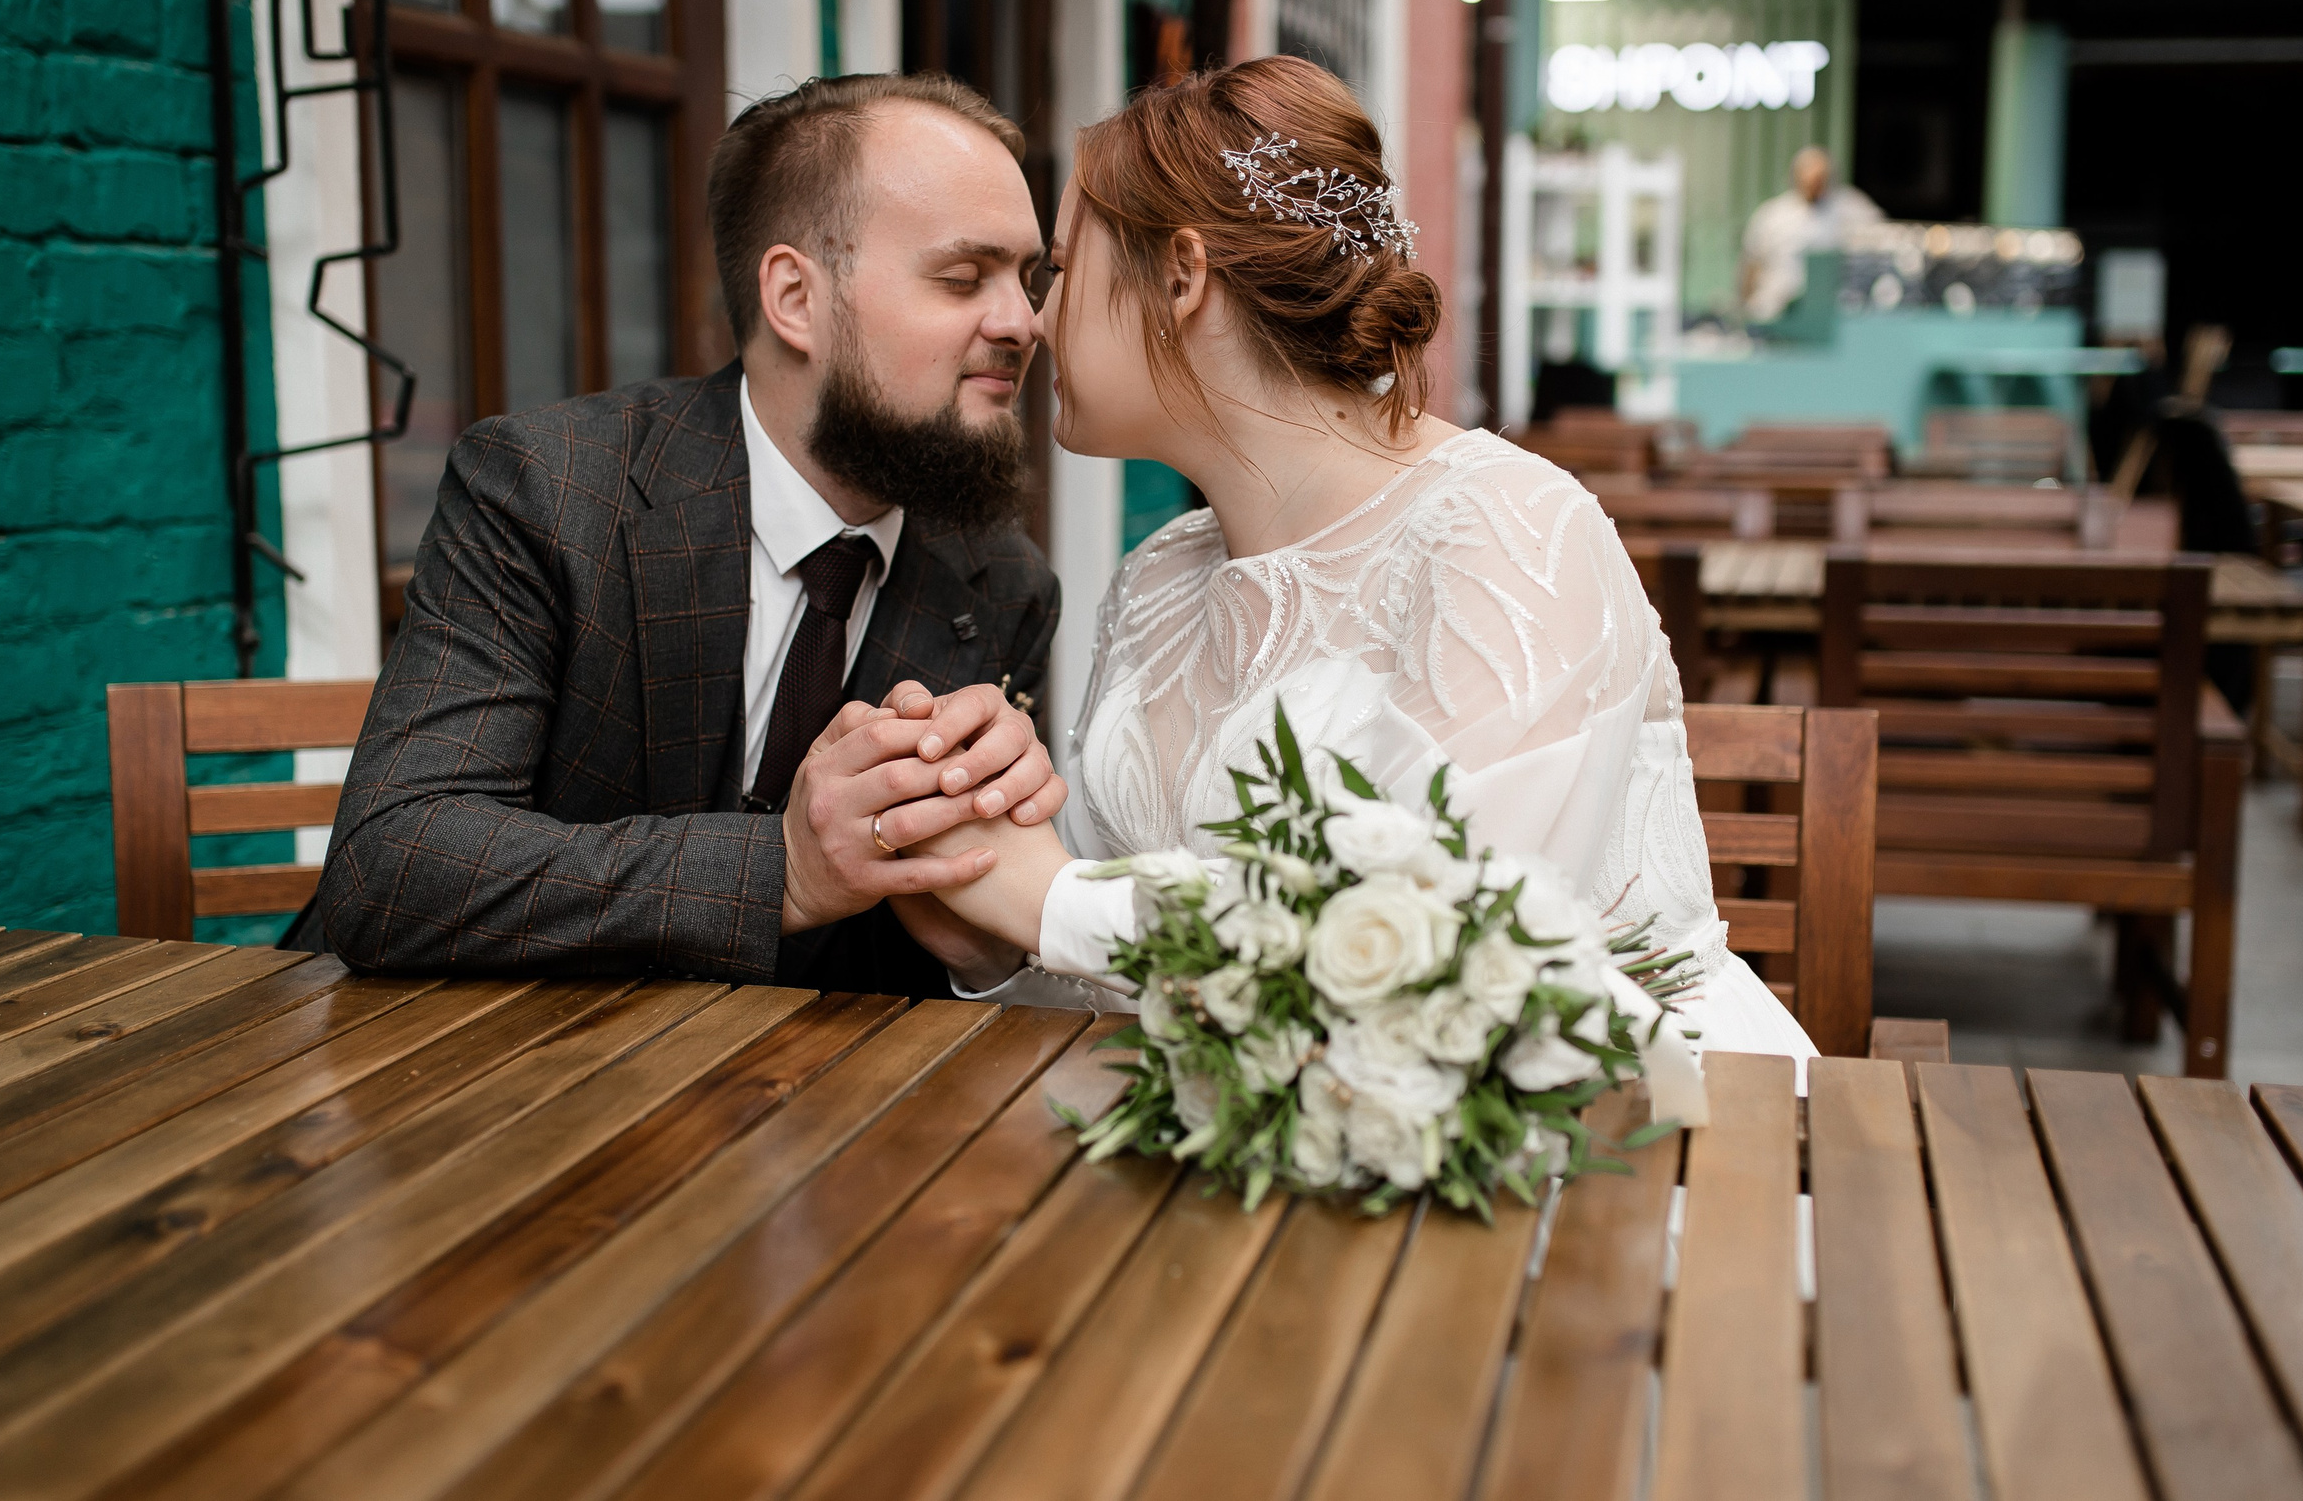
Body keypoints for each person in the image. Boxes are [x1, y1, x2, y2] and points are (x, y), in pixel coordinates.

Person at [882, 55, 1819, 1075]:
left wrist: (1050, 896)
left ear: (1183, 277)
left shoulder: (1511, 534)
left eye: (1057, 271)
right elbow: (1150, 975)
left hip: (1599, 1132)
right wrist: (987, 930)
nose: (1034, 322)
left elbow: (1452, 964)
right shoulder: (1156, 577)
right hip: (1244, 1127)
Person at [283, 73, 1069, 997]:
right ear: (795, 298)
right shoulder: (547, 489)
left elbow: (911, 970)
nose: (1024, 321)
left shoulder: (1006, 584)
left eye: (1028, 277)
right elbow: (394, 865)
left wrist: (979, 947)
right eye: (962, 277)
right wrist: (777, 870)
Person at [1739, 145, 1883, 323]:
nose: (1814, 183)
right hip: (1775, 311)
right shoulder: (1772, 215)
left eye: (1820, 178)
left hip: (1831, 314)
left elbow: (1881, 244)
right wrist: (1744, 308)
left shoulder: (1853, 209)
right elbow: (1752, 264)